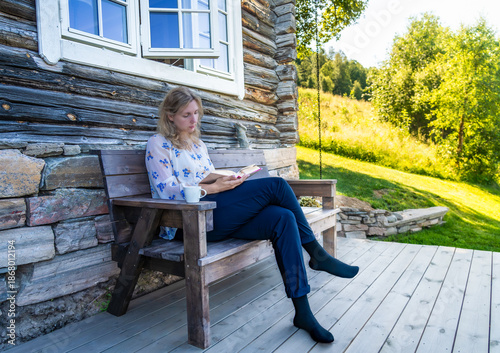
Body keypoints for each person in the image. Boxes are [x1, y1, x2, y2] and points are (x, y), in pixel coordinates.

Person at [145, 86, 359, 343]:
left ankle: (303, 313)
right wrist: (213, 188)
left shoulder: (197, 144)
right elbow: (165, 190)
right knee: (277, 186)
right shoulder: (158, 144)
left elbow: (207, 175)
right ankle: (317, 254)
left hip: (219, 212)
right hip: (191, 223)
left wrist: (230, 179)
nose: (194, 120)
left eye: (196, 113)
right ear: (169, 116)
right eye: (186, 115)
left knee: (283, 218)